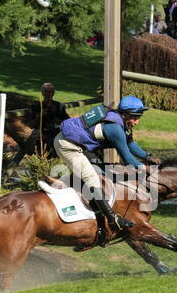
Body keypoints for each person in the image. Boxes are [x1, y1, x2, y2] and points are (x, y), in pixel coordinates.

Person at [54, 96, 161, 231]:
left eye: (139, 117)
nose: (136, 122)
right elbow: (127, 158)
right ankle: (113, 219)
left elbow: (128, 143)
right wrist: (143, 167)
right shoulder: (114, 128)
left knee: (100, 172)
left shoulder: (116, 119)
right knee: (92, 179)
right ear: (124, 114)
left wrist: (147, 156)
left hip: (74, 143)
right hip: (67, 146)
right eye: (134, 117)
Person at [29, 82, 70, 154]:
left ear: (53, 93)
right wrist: (41, 115)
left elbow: (67, 122)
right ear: (42, 93)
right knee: (31, 143)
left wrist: (55, 118)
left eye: (50, 92)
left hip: (56, 131)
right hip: (41, 131)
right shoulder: (36, 105)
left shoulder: (59, 106)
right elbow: (31, 125)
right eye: (46, 92)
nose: (48, 94)